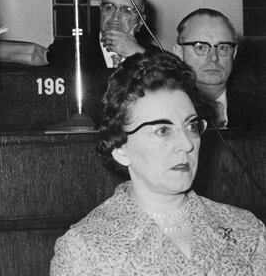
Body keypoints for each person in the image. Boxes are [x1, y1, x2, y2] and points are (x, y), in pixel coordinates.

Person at [50, 51, 266, 274]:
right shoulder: (85, 249)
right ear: (120, 148)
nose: (187, 144)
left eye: (191, 127)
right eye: (163, 130)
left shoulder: (246, 230)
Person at [173, 8, 264, 128]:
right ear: (179, 53)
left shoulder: (259, 110)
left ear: (234, 54)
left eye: (223, 47)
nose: (214, 57)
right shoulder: (168, 108)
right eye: (201, 47)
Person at [47, 0, 152, 71]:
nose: (115, 17)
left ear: (141, 21)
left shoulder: (155, 56)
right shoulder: (67, 50)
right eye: (109, 7)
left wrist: (136, 53)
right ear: (101, 11)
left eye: (126, 10)